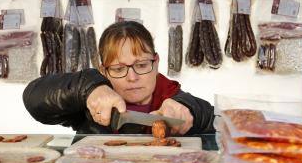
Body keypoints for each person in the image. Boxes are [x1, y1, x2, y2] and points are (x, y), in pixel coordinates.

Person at [23, 20, 215, 135]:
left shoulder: (172, 96)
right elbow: (34, 98)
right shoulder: (91, 105)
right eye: (118, 68)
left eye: (141, 65)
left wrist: (190, 111)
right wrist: (87, 89)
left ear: (155, 63)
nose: (132, 77)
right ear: (103, 70)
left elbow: (214, 119)